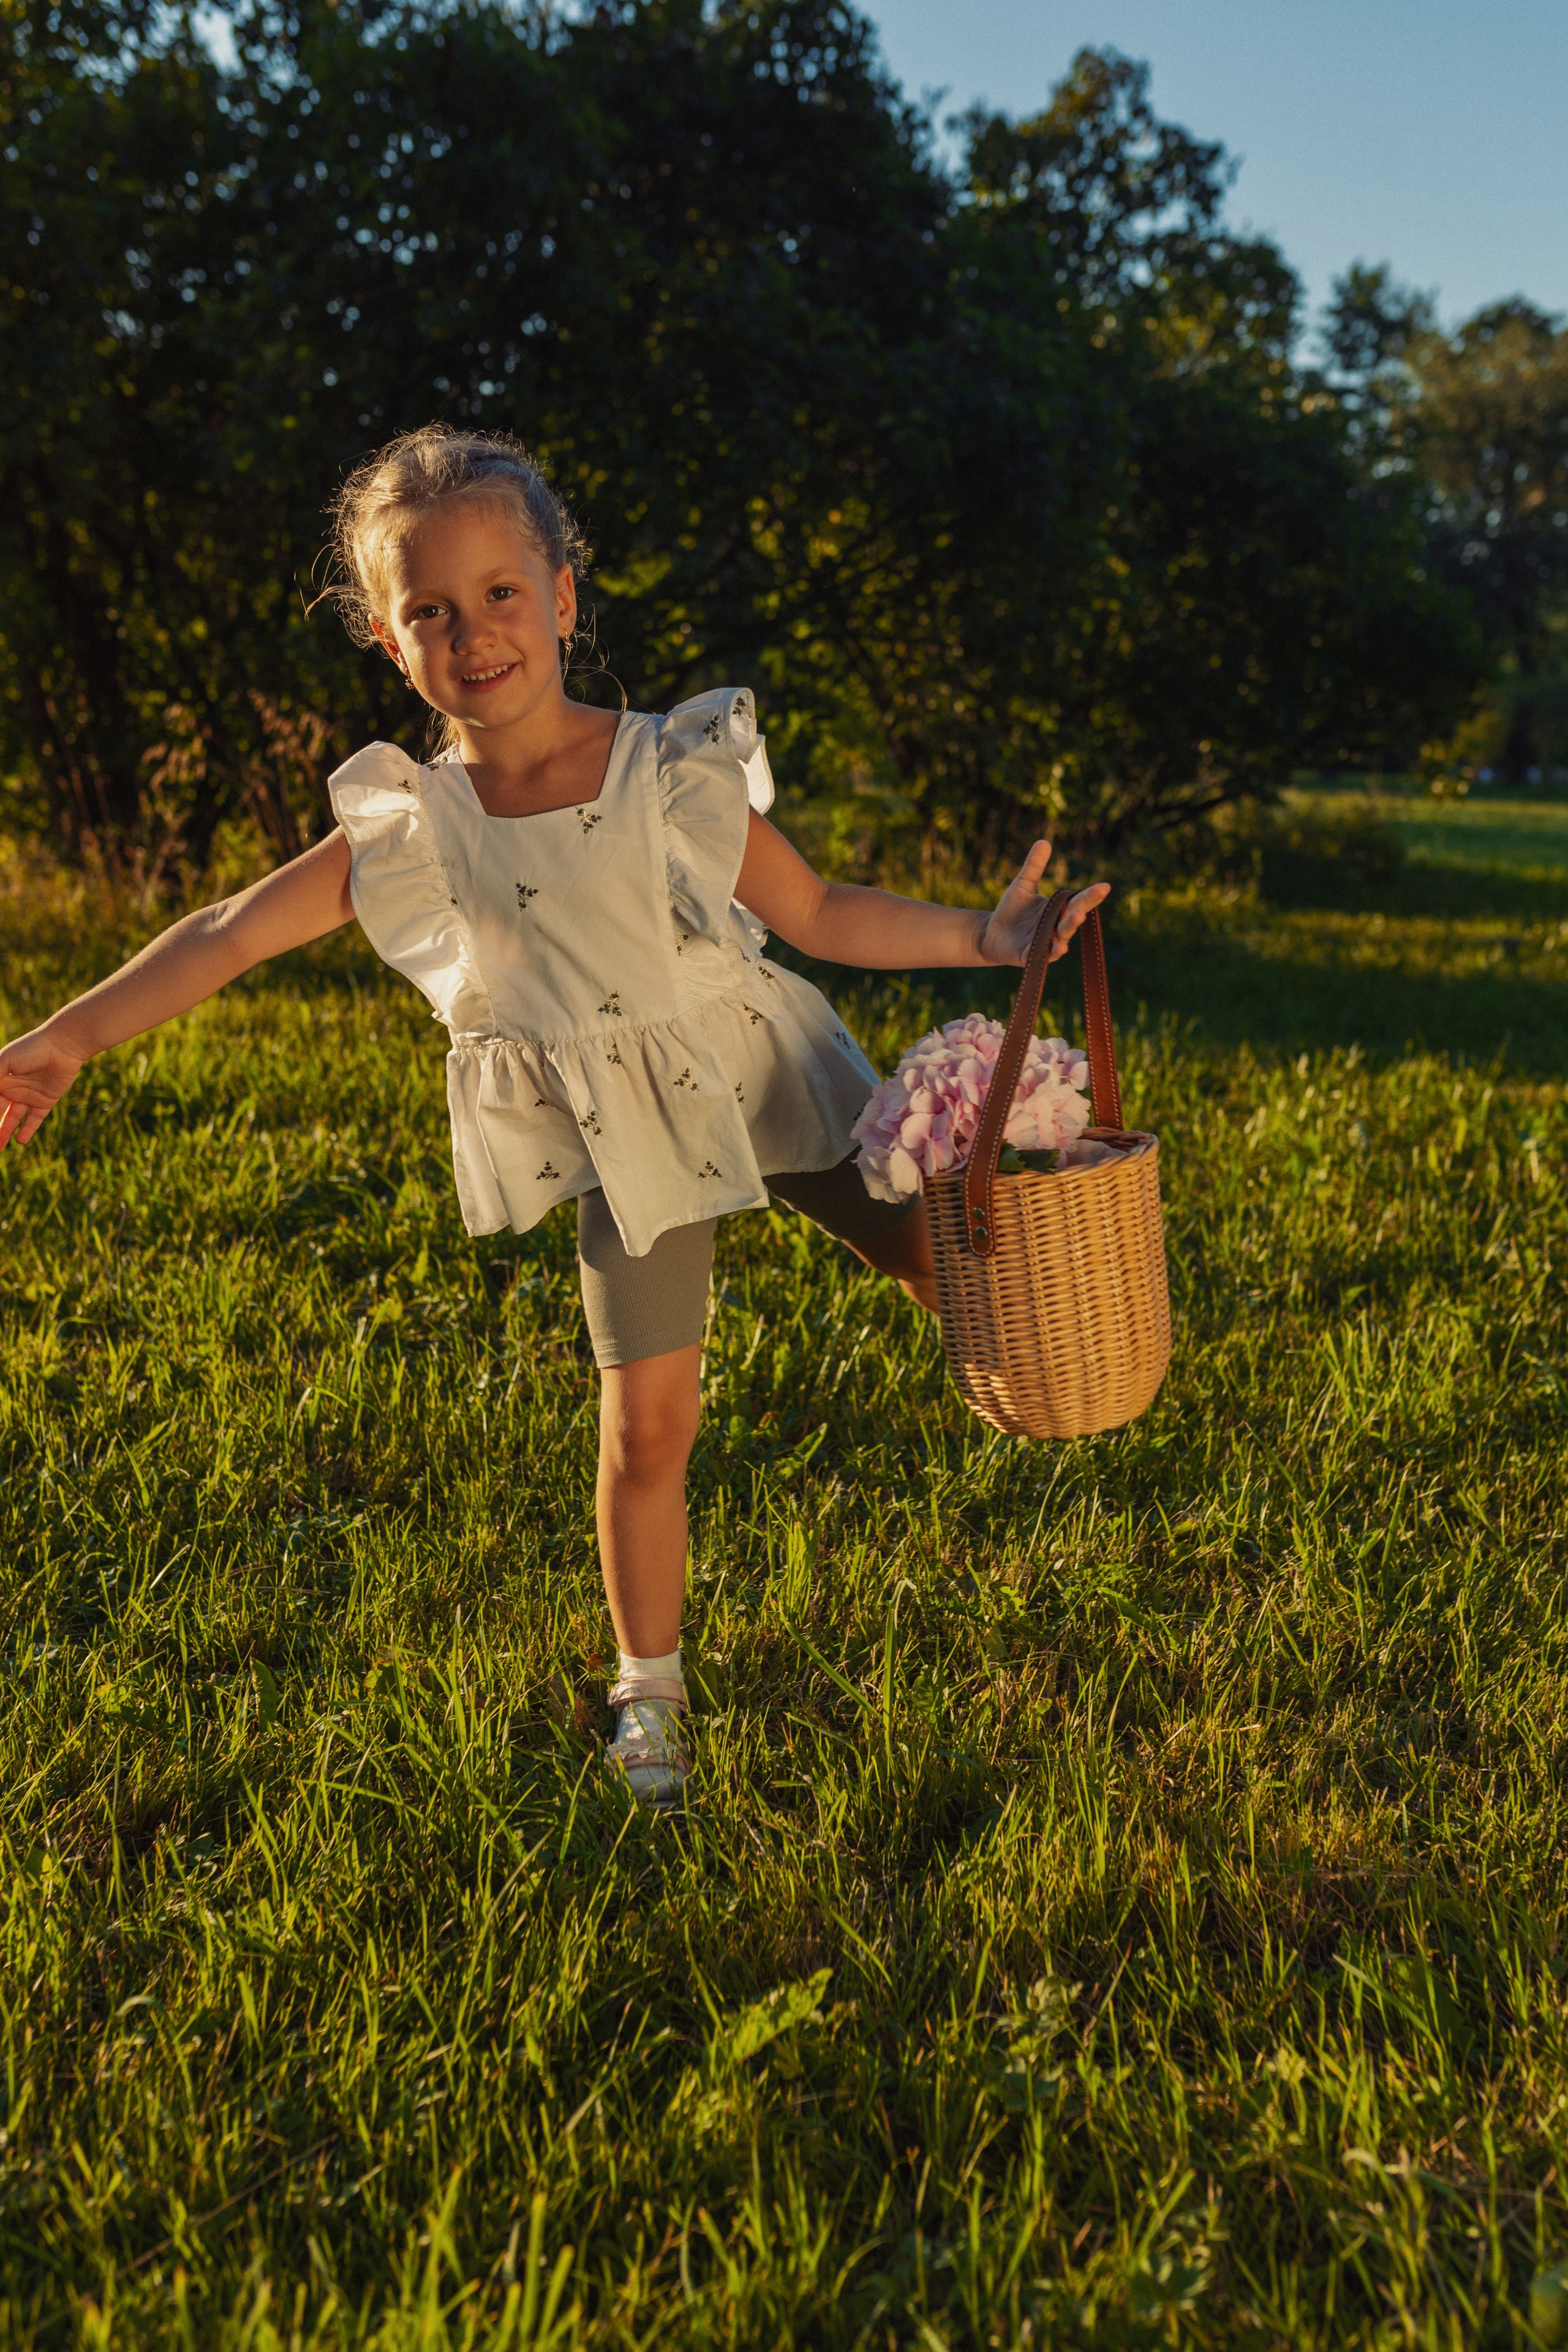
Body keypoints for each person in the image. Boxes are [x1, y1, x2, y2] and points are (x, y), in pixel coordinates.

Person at [0, 425, 1108, 1809]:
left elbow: (820, 912)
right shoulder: (414, 824)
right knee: (647, 1426)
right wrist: (63, 1039)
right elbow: (227, 931)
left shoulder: (667, 769)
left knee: (947, 1263)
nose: (473, 633)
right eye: (430, 611)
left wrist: (981, 938)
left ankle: (1069, 1375)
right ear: (390, 641)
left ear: (564, 598)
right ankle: (650, 1687)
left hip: (764, 1064)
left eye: (500, 593)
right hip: (630, 1142)